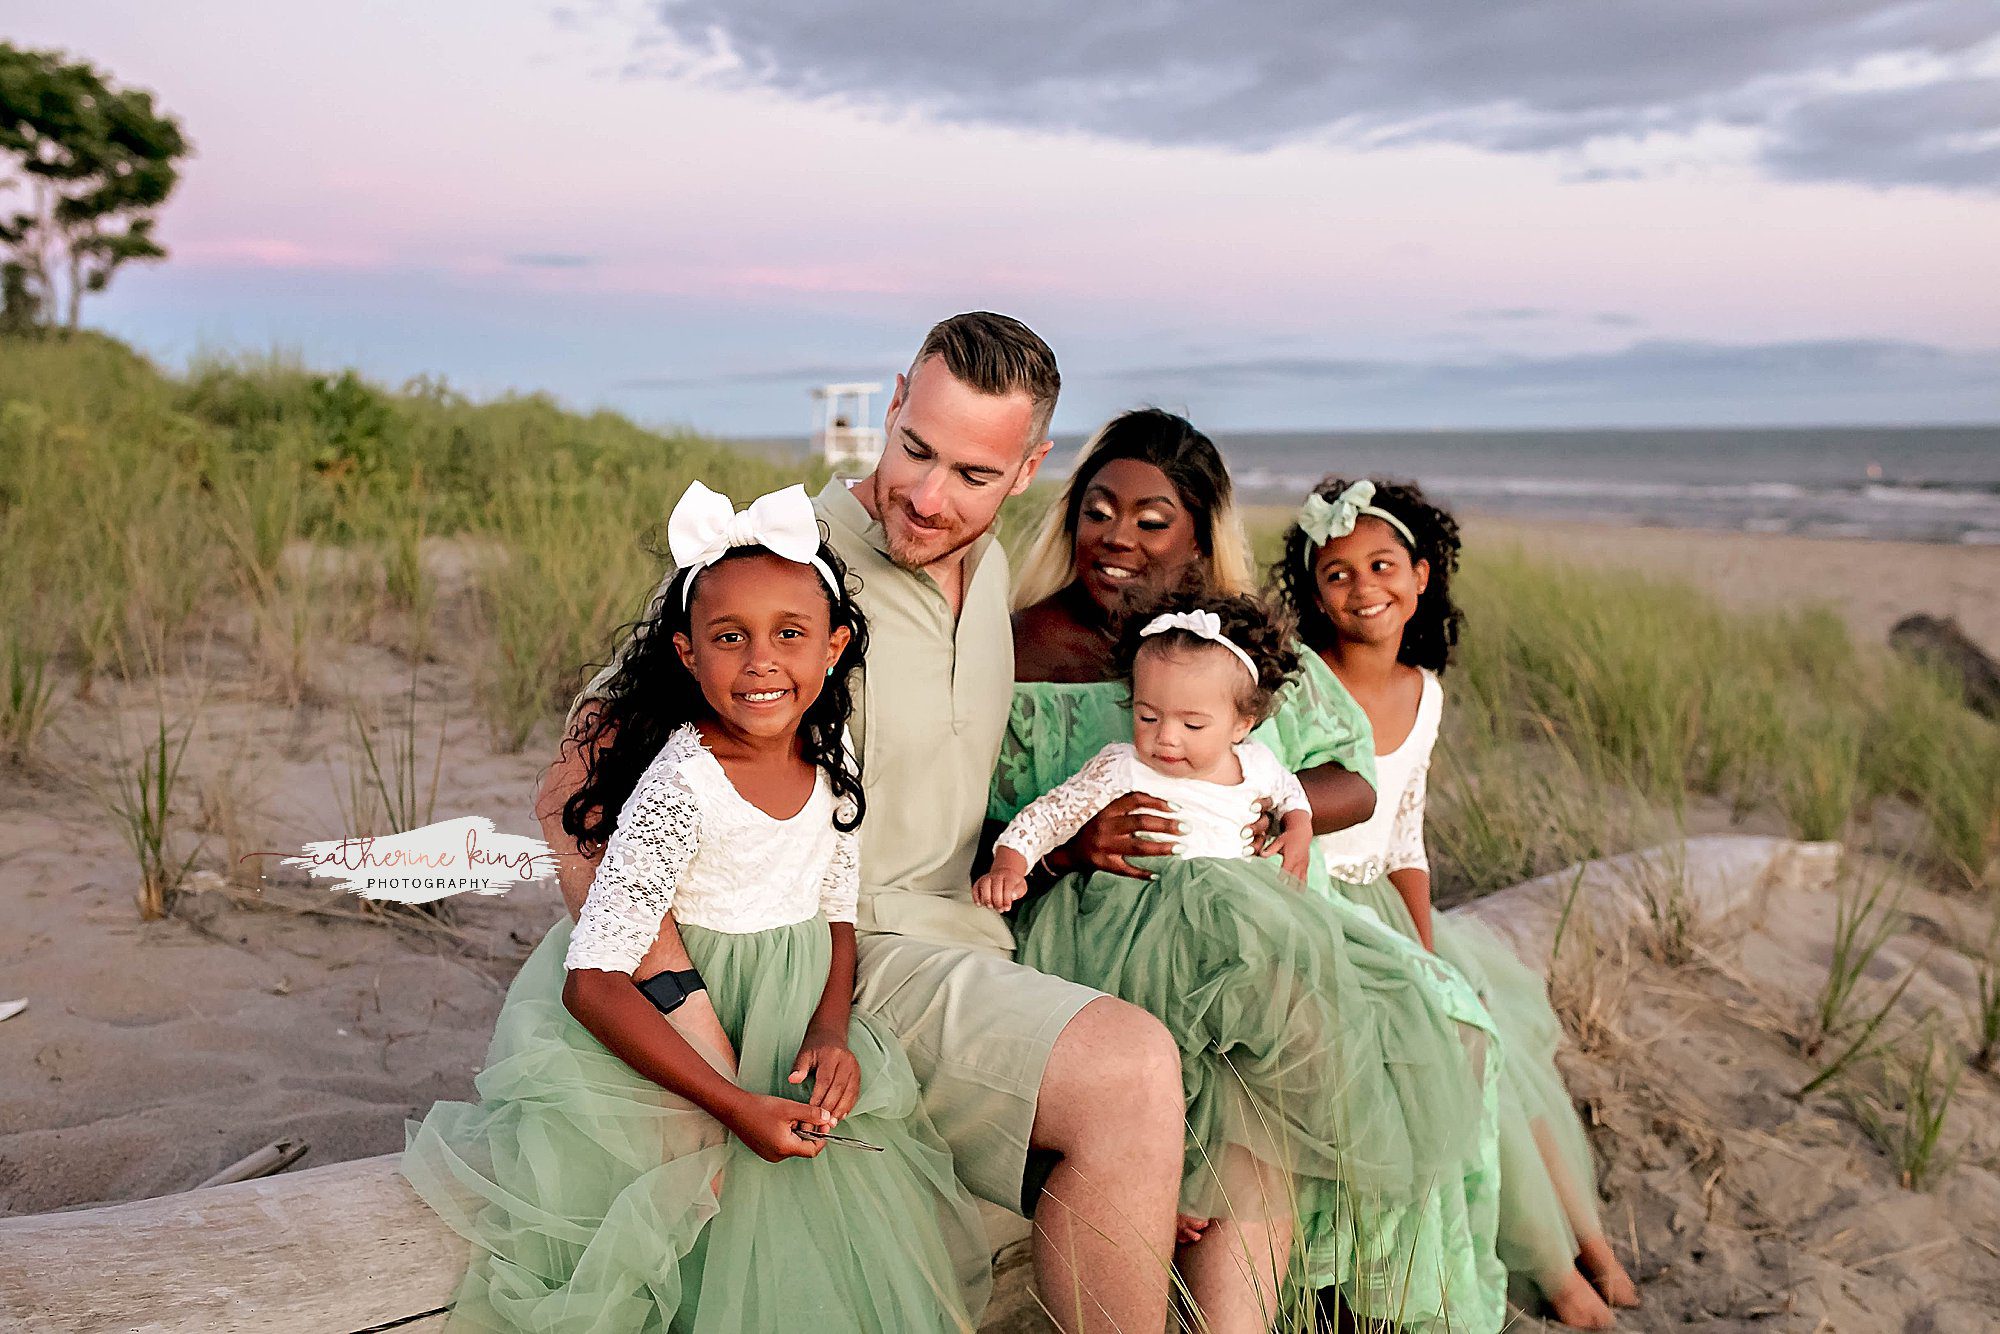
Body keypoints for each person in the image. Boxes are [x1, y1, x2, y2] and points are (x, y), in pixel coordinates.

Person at [545, 314, 1187, 1334]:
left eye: (973, 474)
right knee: (1130, 1069)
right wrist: (681, 999)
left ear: (1028, 468)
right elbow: (575, 782)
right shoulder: (785, 560)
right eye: (916, 448)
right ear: (891, 403)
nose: (927, 497)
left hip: (966, 931)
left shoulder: (990, 583)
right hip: (841, 956)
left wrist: (1059, 839)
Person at [403, 482, 990, 1331]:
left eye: (790, 635)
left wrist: (828, 1030)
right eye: (729, 638)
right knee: (691, 1244)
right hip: (672, 1031)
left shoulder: (831, 755)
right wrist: (731, 1100)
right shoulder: (680, 787)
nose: (760, 661)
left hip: (785, 1022)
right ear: (686, 654)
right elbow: (594, 979)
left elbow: (833, 907)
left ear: (834, 647)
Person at [991, 413, 1507, 1333]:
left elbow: (1355, 771)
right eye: (1099, 510)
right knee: (1231, 1064)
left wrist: (1251, 802)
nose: (1118, 535)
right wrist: (1069, 844)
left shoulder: (1231, 644)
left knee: (1407, 1019)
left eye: (1153, 519)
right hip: (1087, 919)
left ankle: (1317, 1300)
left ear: (1198, 535)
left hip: (1233, 907)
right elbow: (966, 819)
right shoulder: (1011, 646)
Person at [1269, 477, 1644, 1327]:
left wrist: (1431, 943)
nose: (1363, 587)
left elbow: (1405, 836)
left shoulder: (1424, 689)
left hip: (1392, 908)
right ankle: (1558, 1280)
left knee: (1500, 1031)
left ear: (1423, 575)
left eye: (1382, 565)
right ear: (1315, 592)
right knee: (1457, 1052)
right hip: (1323, 907)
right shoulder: (1302, 684)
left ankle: (1591, 1242)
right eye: (1336, 573)